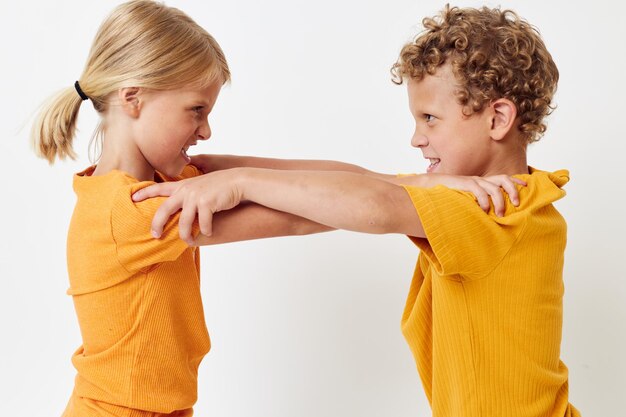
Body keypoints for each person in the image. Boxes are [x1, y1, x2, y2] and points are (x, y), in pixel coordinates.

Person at [31, 1, 519, 416]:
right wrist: (433, 197)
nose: (205, 131)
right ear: (133, 98)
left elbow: (305, 175)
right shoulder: (137, 211)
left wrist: (425, 181)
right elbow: (298, 212)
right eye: (196, 109)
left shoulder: (173, 182)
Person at [133, 5, 580, 417]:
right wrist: (217, 170)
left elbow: (375, 204)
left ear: (497, 119)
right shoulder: (508, 196)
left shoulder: (495, 209)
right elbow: (364, 179)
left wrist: (239, 182)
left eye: (430, 119)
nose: (416, 138)